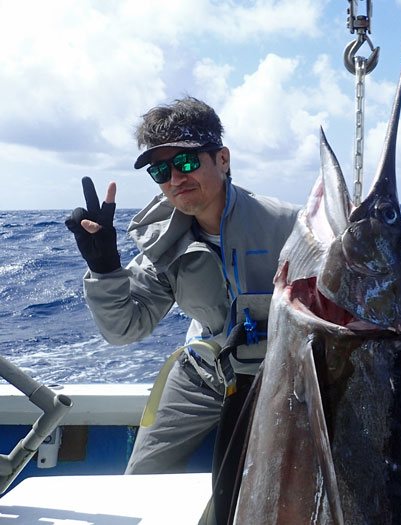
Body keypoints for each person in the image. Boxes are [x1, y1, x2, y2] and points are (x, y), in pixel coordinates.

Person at [65, 97, 299, 474]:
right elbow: (125, 329)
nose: (175, 179)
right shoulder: (163, 244)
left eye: (187, 162)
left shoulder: (292, 226)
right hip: (201, 377)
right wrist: (105, 268)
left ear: (222, 160)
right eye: (160, 171)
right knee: (140, 484)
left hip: (282, 381)